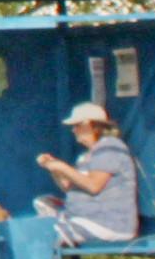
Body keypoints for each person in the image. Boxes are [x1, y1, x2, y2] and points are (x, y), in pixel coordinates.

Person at [35, 101, 140, 247]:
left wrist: (62, 167)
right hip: (86, 218)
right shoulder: (86, 156)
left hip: (109, 223)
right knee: (43, 204)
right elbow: (67, 186)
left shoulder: (110, 147)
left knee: (43, 236)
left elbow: (93, 186)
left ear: (89, 125)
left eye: (76, 125)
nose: (73, 130)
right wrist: (53, 168)